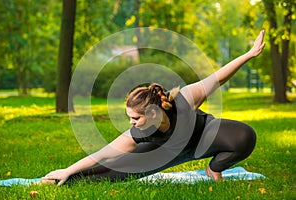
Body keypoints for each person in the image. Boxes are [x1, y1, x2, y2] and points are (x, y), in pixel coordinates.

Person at [42, 30, 265, 186]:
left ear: (152, 113)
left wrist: (249, 54)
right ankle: (60, 181)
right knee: (110, 172)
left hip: (204, 136)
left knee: (245, 136)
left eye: (135, 118)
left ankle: (213, 169)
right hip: (166, 153)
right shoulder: (138, 133)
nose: (131, 123)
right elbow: (103, 155)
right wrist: (68, 171)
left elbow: (218, 77)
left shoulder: (183, 100)